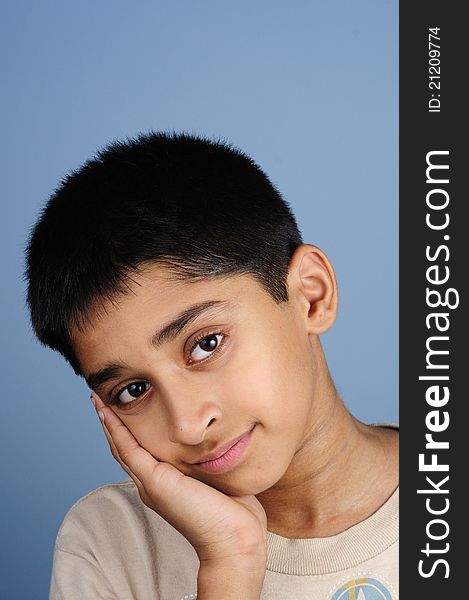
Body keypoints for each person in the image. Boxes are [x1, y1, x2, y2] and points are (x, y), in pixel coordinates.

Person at [25, 132, 399, 600]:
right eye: (133, 390)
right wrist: (229, 565)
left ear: (311, 295)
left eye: (206, 344)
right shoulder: (111, 545)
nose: (187, 424)